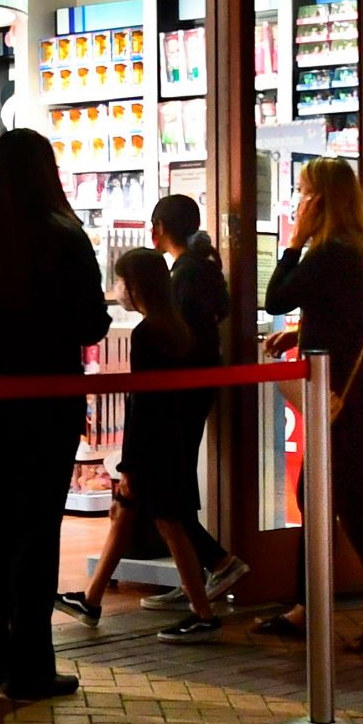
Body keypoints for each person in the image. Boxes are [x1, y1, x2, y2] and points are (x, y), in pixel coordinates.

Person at [0, 128, 111, 699]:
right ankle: (30, 665)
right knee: (36, 529)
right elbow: (92, 322)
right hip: (46, 397)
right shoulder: (63, 236)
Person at [255, 157, 363, 652]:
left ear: (322, 200)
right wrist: (302, 331)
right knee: (321, 497)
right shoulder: (355, 249)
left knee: (358, 507)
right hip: (354, 387)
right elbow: (341, 316)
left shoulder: (328, 252)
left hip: (342, 394)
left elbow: (275, 296)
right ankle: (309, 607)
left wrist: (293, 242)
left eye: (305, 193)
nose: (298, 202)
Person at [57, 249, 225, 642]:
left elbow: (142, 402)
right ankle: (92, 599)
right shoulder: (175, 328)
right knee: (128, 514)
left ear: (135, 286)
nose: (117, 289)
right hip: (171, 440)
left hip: (153, 447)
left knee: (170, 522)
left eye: (120, 281)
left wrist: (129, 462)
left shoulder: (148, 334)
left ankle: (202, 611)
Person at [139, 195, 251, 611]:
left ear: (162, 228)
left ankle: (217, 563)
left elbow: (178, 336)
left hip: (181, 394)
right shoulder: (202, 269)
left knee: (169, 489)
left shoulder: (185, 274)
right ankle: (195, 580)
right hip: (197, 391)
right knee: (176, 483)